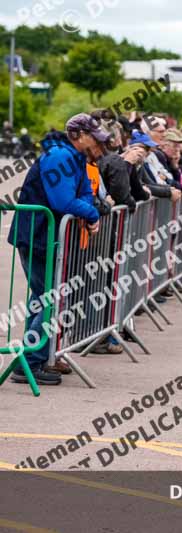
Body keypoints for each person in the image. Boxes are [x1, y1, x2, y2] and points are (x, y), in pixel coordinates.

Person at [7, 114, 106, 385]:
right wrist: (92, 214)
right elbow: (63, 200)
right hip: (37, 235)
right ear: (78, 135)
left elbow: (85, 192)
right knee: (51, 299)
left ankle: (36, 357)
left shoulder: (74, 158)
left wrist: (88, 211)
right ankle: (29, 361)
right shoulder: (60, 156)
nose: (99, 143)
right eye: (94, 137)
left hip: (45, 237)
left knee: (44, 298)